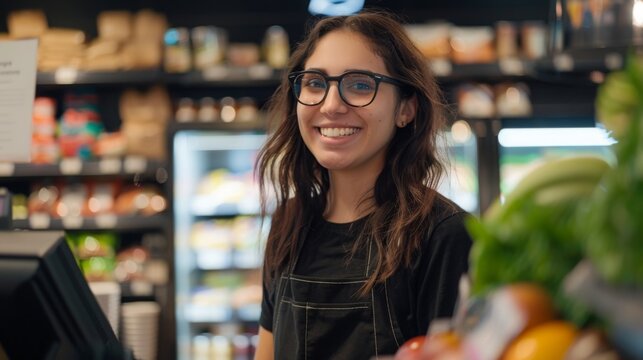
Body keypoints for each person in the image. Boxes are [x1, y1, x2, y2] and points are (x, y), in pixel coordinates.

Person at [253, 10, 472, 360]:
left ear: (406, 109)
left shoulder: (443, 235)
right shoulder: (288, 222)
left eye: (359, 85)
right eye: (314, 83)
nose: (331, 105)